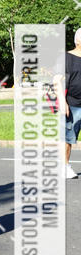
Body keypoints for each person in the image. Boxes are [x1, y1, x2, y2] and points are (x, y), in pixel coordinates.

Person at [59, 28, 81, 179]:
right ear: (78, 41)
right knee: (69, 137)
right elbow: (58, 81)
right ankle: (65, 166)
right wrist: (63, 102)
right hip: (72, 103)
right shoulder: (67, 58)